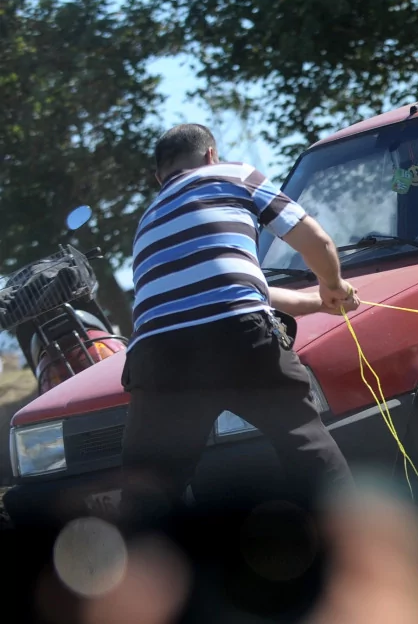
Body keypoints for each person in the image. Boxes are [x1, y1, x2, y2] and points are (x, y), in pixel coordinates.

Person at [119, 123, 360, 516]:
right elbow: (317, 242)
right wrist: (333, 285)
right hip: (239, 338)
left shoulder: (149, 219)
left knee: (149, 487)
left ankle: (139, 566)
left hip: (157, 355)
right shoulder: (234, 176)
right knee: (303, 440)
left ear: (158, 177)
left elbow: (245, 289)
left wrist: (319, 304)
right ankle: (351, 541)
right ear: (211, 155)